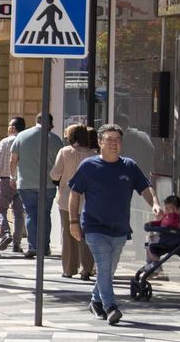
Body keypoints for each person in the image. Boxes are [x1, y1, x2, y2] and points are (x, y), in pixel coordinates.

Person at [67, 123, 162, 326]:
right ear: (100, 143)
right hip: (94, 226)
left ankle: (95, 300)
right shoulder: (89, 166)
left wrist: (154, 203)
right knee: (103, 265)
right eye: (109, 140)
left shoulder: (129, 166)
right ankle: (111, 307)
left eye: (117, 140)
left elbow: (145, 187)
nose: (113, 144)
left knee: (109, 270)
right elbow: (74, 193)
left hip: (119, 228)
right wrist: (73, 221)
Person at [50, 124, 97, 281]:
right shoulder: (93, 155)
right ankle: (87, 268)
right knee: (86, 235)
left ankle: (69, 268)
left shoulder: (64, 152)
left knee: (68, 233)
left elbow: (55, 174)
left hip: (66, 198)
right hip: (89, 200)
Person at [10, 114, 58, 258]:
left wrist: (12, 176)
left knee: (31, 214)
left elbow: (13, 160)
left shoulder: (21, 136)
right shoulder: (55, 139)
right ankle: (45, 247)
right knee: (45, 215)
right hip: (48, 184)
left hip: (26, 183)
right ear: (50, 123)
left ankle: (33, 246)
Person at [0, 118, 25, 252]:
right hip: (22, 181)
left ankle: (5, 232)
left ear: (13, 128)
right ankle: (17, 244)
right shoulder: (25, 141)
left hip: (6, 180)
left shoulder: (5, 142)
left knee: (0, 209)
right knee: (19, 213)